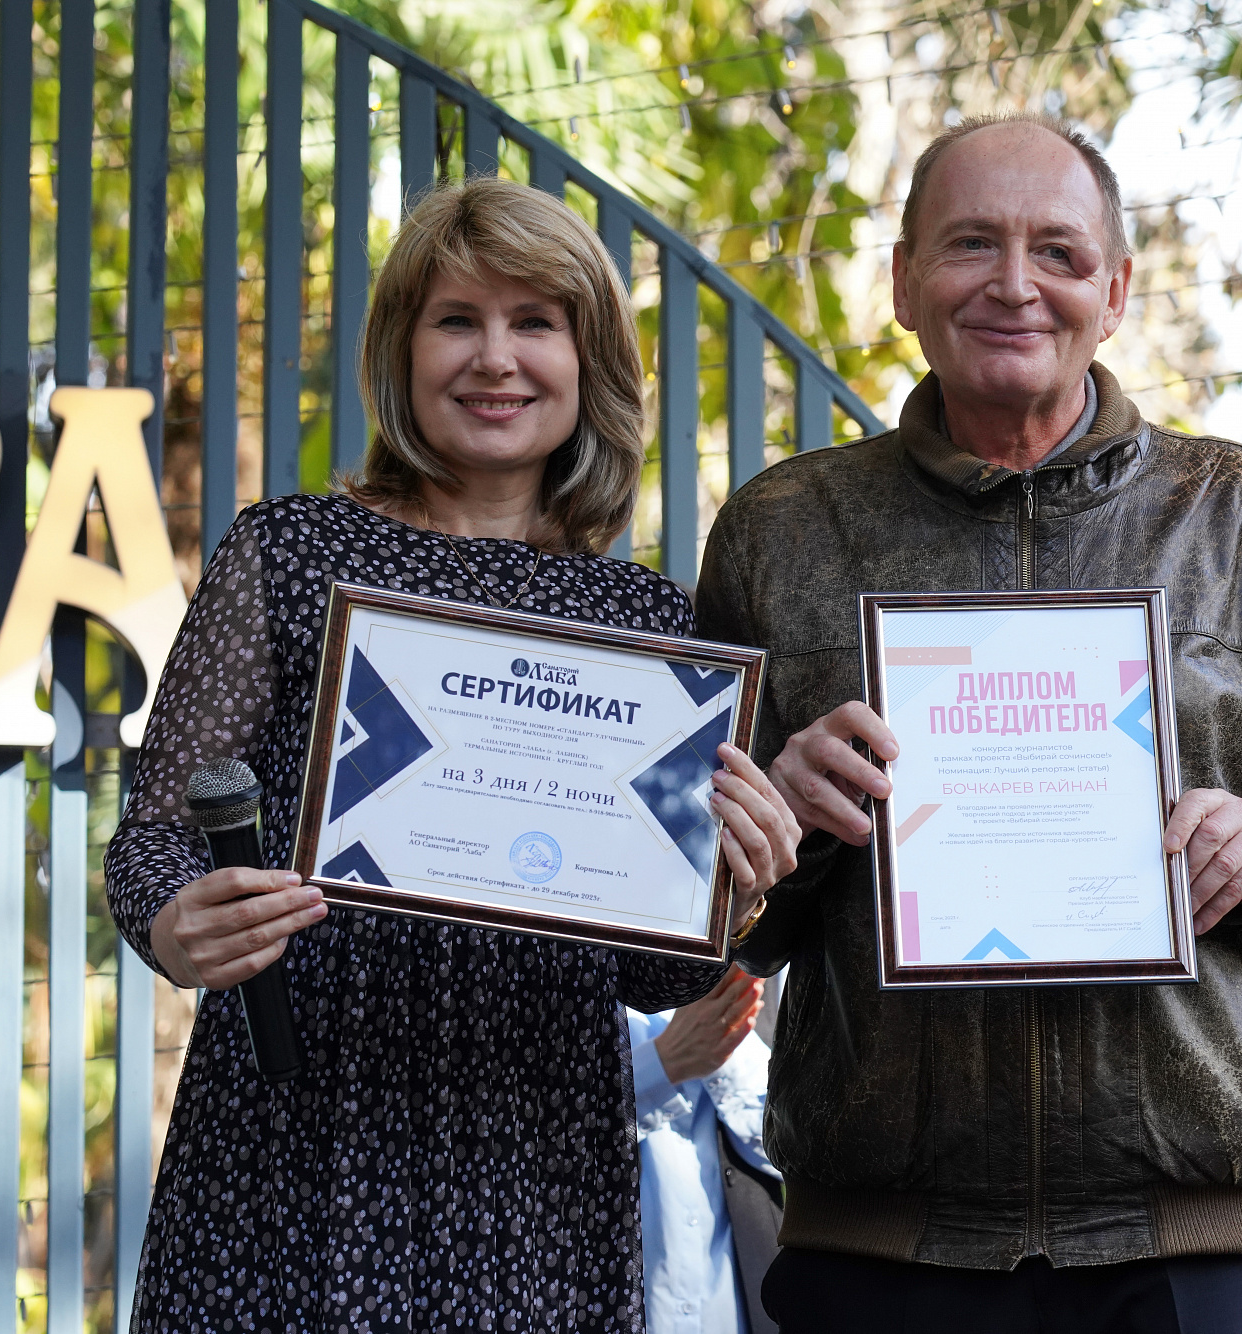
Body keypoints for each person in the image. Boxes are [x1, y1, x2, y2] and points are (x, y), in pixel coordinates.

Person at [696, 113, 1242, 1332]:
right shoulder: (783, 532)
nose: (1012, 284)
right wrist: (778, 808)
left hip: (1183, 1244)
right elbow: (706, 917)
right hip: (875, 1243)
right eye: (968, 245)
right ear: (901, 282)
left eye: (1055, 250)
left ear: (1113, 290)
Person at [104, 175, 800, 1332]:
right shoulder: (292, 552)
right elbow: (157, 833)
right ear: (399, 348)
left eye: (535, 323)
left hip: (535, 1165)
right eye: (456, 320)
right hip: (296, 1140)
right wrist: (176, 923)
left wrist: (727, 894)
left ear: (588, 364)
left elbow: (654, 972)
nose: (494, 359)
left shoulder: (649, 626)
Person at [627, 968, 786, 1334]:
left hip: (740, 1309)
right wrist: (663, 1065)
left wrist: (727, 1043)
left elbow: (803, 1156)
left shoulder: (775, 970)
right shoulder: (562, 952)